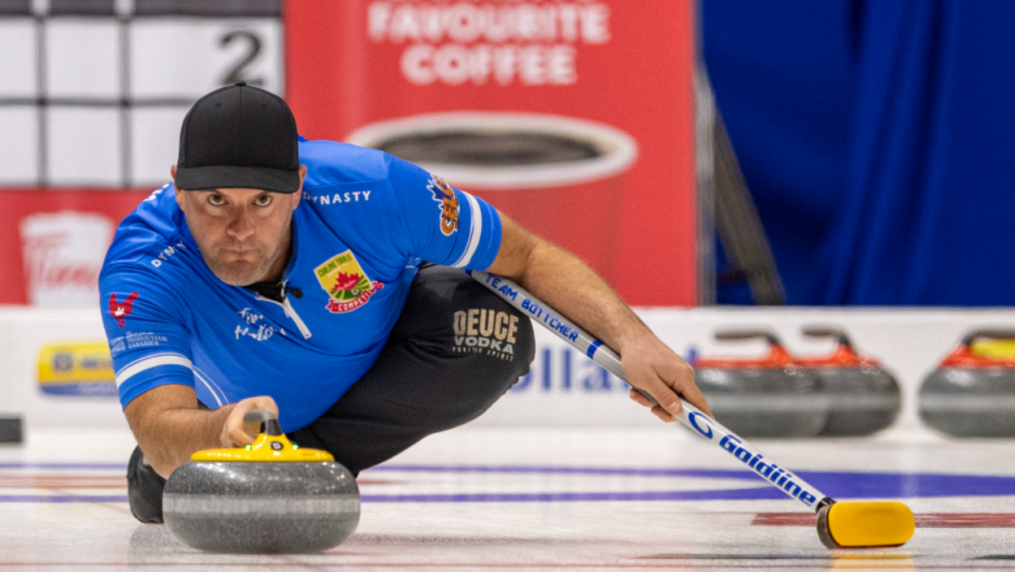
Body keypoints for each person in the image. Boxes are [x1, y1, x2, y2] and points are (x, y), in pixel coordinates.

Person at [99, 83, 712, 524]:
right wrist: (220, 431)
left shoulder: (377, 190)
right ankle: (258, 466)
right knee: (164, 490)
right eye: (214, 202)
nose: (238, 228)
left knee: (493, 326)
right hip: (231, 422)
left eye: (262, 202)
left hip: (370, 365)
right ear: (178, 187)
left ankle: (306, 463)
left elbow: (526, 257)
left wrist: (633, 338)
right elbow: (159, 428)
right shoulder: (141, 265)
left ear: (299, 188)